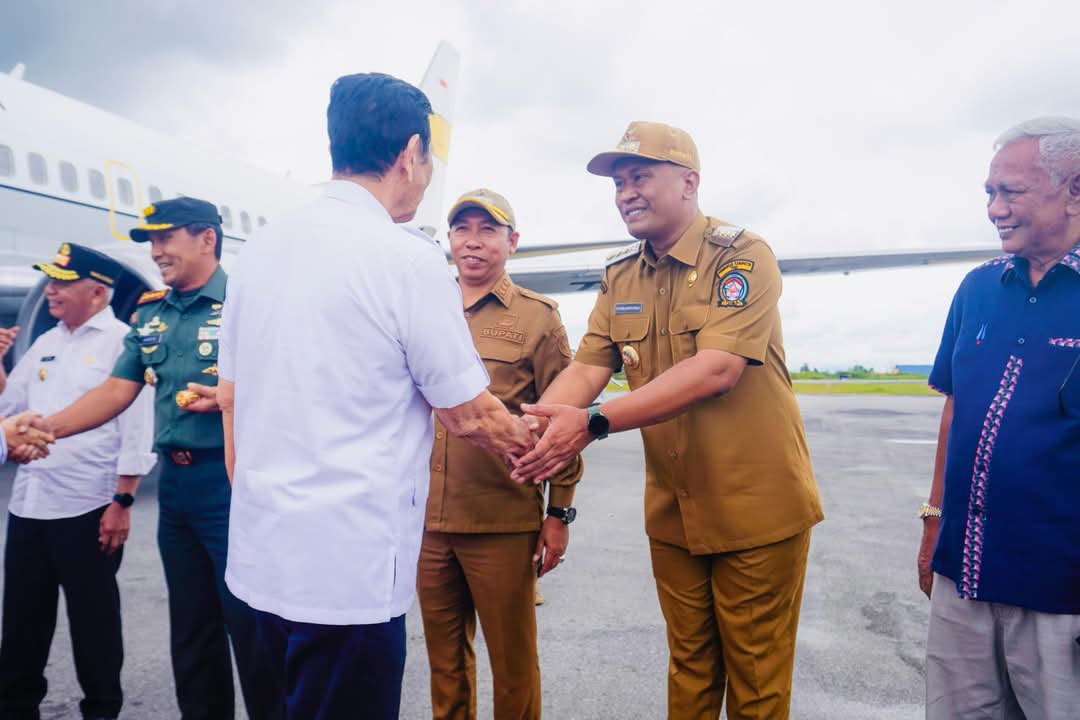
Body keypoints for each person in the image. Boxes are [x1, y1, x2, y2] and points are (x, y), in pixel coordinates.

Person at [217, 73, 536, 720]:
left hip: (257, 561)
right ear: (409, 153)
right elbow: (466, 410)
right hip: (346, 576)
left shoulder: (258, 250)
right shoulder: (407, 258)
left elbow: (230, 396)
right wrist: (549, 438)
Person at [512, 121, 824, 718]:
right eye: (619, 182)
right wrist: (544, 418)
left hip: (755, 511)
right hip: (675, 512)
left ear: (689, 182)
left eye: (640, 177)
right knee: (689, 670)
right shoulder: (621, 274)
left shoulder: (742, 256)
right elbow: (590, 365)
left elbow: (716, 370)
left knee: (756, 684)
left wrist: (593, 422)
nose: (625, 192)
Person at [43, 199, 276, 720]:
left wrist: (238, 398)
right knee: (192, 631)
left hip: (233, 484)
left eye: (165, 238)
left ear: (206, 239)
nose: (155, 252)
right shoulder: (151, 312)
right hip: (177, 490)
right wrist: (47, 429)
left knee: (252, 627)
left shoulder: (247, 304)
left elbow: (294, 383)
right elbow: (116, 389)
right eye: (151, 241)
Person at [919, 117, 1080, 719]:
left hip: (1061, 591)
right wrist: (933, 523)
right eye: (989, 192)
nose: (994, 209)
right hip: (965, 571)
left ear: (1075, 190)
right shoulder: (977, 288)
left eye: (1011, 191)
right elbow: (955, 404)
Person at [418, 189, 583, 719]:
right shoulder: (424, 309)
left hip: (500, 520)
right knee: (445, 665)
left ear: (512, 242)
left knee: (513, 666)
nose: (472, 241)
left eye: (487, 230)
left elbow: (566, 425)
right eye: (462, 229)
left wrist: (558, 514)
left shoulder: (538, 319)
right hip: (426, 521)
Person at [0, 243, 155, 720]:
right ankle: (16, 708)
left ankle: (101, 710)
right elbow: (10, 411)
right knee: (23, 621)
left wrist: (122, 501)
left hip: (87, 506)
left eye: (61, 283)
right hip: (30, 504)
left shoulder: (122, 343)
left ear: (97, 291)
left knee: (94, 623)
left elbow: (137, 428)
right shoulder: (47, 343)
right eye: (49, 281)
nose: (51, 290)